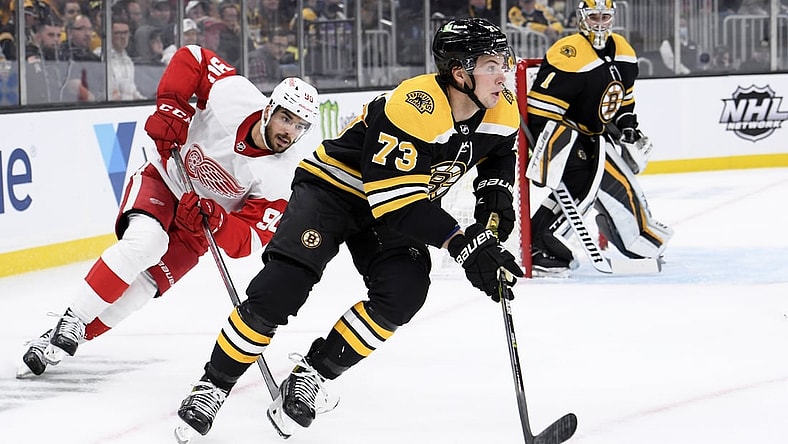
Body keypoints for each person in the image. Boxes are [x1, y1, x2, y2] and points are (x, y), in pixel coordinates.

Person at [173, 17, 524, 441]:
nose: (504, 72)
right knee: (282, 287)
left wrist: (488, 230)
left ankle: (313, 374)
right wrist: (461, 243)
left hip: (397, 204)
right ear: (459, 72)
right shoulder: (415, 106)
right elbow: (396, 205)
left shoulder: (501, 106)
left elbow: (498, 170)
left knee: (403, 293)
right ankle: (213, 385)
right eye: (491, 64)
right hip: (334, 190)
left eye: (503, 60)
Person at [17, 45, 320, 378]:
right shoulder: (234, 95)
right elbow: (193, 56)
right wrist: (172, 108)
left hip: (199, 226)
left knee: (143, 289)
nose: (289, 131)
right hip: (164, 178)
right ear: (269, 109)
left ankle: (58, 341)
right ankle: (73, 318)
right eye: (286, 117)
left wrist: (217, 219)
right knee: (147, 243)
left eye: (300, 125)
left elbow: (248, 240)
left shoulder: (282, 175)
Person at [525, 0, 673, 276]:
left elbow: (623, 100)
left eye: (606, 16)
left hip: (596, 137)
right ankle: (539, 245)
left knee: (625, 188)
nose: (600, 22)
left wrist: (628, 125)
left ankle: (637, 242)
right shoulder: (568, 52)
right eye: (594, 16)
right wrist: (548, 148)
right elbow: (541, 109)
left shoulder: (624, 51)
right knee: (583, 187)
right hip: (565, 134)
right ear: (582, 18)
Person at [106, 18, 147, 100]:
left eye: (125, 33)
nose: (123, 37)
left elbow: (132, 91)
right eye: (118, 33)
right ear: (109, 35)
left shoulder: (128, 60)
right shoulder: (103, 57)